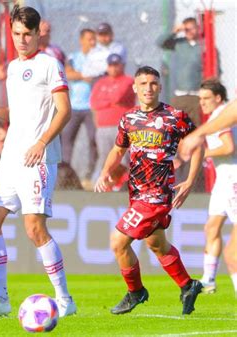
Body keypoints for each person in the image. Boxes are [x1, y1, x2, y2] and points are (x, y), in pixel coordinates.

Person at [0, 5, 76, 318]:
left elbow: (64, 110)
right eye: (16, 34)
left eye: (28, 33)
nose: (22, 39)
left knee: (34, 229)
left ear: (38, 33)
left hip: (37, 158)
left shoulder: (49, 64)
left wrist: (42, 143)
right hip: (10, 158)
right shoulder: (13, 68)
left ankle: (65, 300)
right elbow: (20, 115)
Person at [94, 66, 204, 315]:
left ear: (160, 87)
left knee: (118, 242)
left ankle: (136, 291)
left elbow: (198, 145)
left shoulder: (175, 116)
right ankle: (188, 285)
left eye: (153, 83)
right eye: (143, 83)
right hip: (136, 194)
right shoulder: (128, 119)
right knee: (157, 244)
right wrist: (104, 172)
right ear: (134, 87)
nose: (148, 88)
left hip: (157, 195)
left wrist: (189, 180)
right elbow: (118, 150)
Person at [195, 80, 236, 295]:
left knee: (233, 251)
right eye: (200, 99)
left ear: (218, 98)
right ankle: (208, 279)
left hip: (233, 179)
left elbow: (228, 147)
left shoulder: (223, 116)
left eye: (206, 98)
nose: (202, 103)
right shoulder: (217, 116)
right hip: (223, 179)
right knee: (211, 227)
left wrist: (202, 153)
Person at [90, 53, 135, 181]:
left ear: (122, 66)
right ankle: (101, 184)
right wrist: (109, 102)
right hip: (103, 127)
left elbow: (118, 96)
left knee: (123, 158)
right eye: (111, 65)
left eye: (117, 65)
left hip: (121, 126)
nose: (114, 68)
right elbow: (94, 102)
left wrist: (105, 100)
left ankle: (125, 185)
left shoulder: (128, 80)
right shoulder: (101, 82)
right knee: (104, 158)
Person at [62, 28, 97, 189]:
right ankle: (64, 172)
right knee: (67, 140)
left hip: (92, 107)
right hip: (75, 106)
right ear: (81, 40)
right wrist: (84, 75)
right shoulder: (73, 57)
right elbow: (68, 73)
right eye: (89, 39)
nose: (92, 42)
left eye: (94, 39)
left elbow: (100, 73)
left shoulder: (98, 57)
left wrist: (82, 73)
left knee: (93, 140)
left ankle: (90, 174)